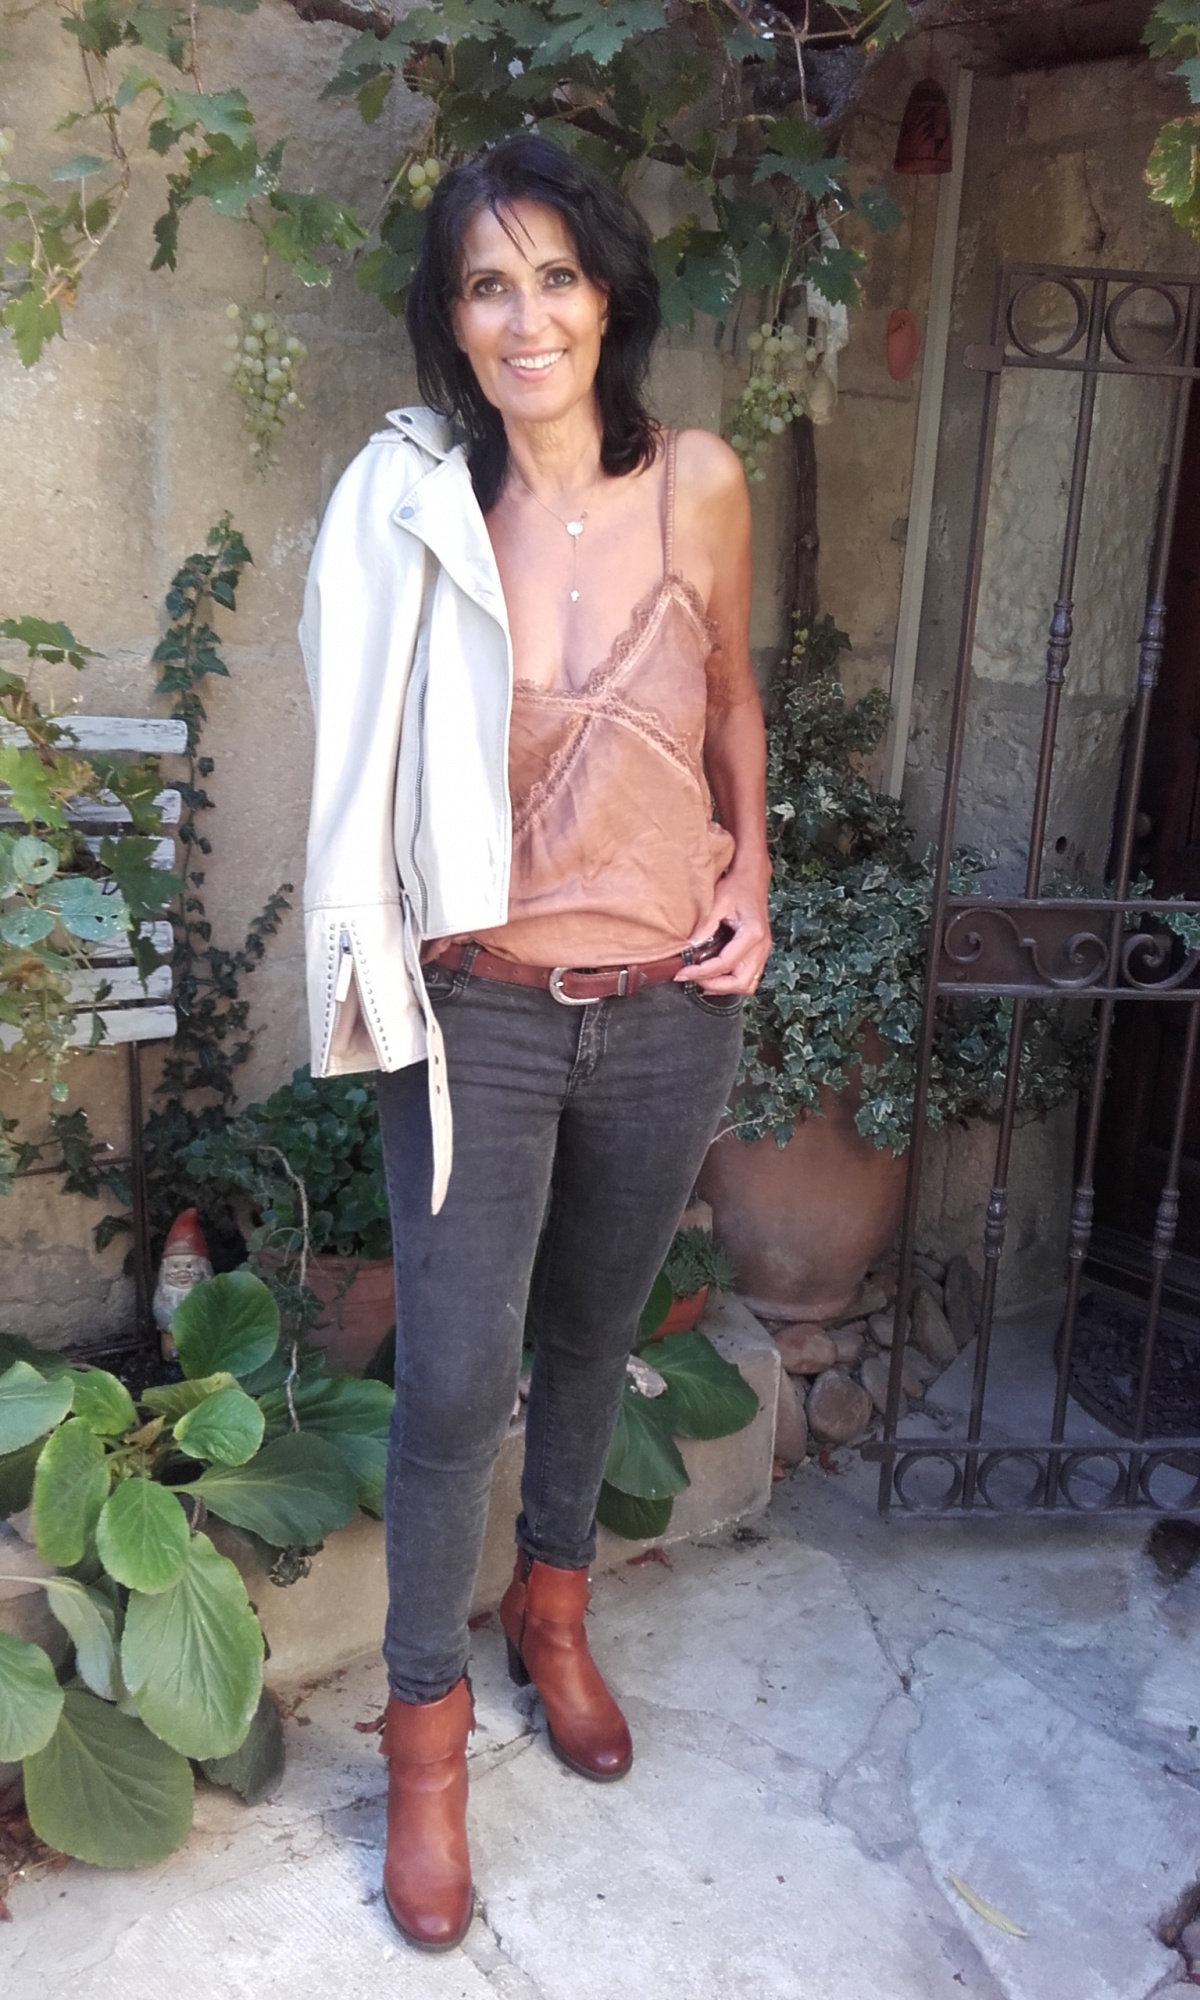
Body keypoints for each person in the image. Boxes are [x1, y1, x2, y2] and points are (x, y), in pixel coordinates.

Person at [300, 134, 771, 1953]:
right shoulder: (420, 514)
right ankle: (424, 1744)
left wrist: (758, 880)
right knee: (449, 1385)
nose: (526, 317)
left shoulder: (701, 481)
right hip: (479, 1012)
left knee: (591, 1343)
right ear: (450, 318)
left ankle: (552, 1612)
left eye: (555, 275)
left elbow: (730, 696)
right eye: (486, 284)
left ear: (607, 294)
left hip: (664, 1007)